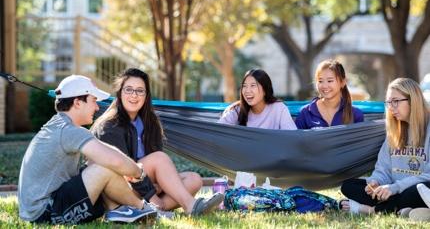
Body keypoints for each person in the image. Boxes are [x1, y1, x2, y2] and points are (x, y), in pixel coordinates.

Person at [18, 75, 158, 225]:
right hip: (45, 213)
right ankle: (145, 209)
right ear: (78, 103)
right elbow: (114, 160)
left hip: (41, 209)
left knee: (96, 164)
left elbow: (104, 155)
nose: (97, 107)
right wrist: (139, 172)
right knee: (103, 167)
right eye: (93, 101)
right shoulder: (69, 130)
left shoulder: (59, 125)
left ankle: (118, 210)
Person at [91, 68, 223, 213]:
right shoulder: (110, 126)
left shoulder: (150, 122)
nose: (134, 95)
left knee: (194, 179)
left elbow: (160, 170)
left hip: (144, 183)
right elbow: (123, 170)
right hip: (119, 188)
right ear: (120, 93)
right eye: (128, 90)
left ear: (146, 95)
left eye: (140, 90)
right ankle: (191, 206)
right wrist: (152, 193)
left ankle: (155, 210)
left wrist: (156, 186)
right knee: (159, 159)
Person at [340, 78, 430, 215]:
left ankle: (370, 210)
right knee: (348, 186)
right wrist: (375, 182)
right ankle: (405, 210)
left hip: (412, 188)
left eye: (395, 101)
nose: (391, 107)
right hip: (393, 191)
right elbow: (383, 168)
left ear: (413, 100)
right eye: (388, 102)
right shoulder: (395, 131)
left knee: (418, 190)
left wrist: (395, 187)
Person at [218, 68, 297, 130]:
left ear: (265, 90)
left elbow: (292, 137)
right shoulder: (236, 110)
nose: (247, 91)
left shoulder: (279, 108)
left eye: (253, 85)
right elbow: (217, 131)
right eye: (244, 86)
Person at [295, 59, 364, 129]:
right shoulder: (305, 112)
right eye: (320, 81)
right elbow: (296, 138)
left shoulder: (355, 114)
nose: (324, 86)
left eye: (330, 81)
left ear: (342, 82)